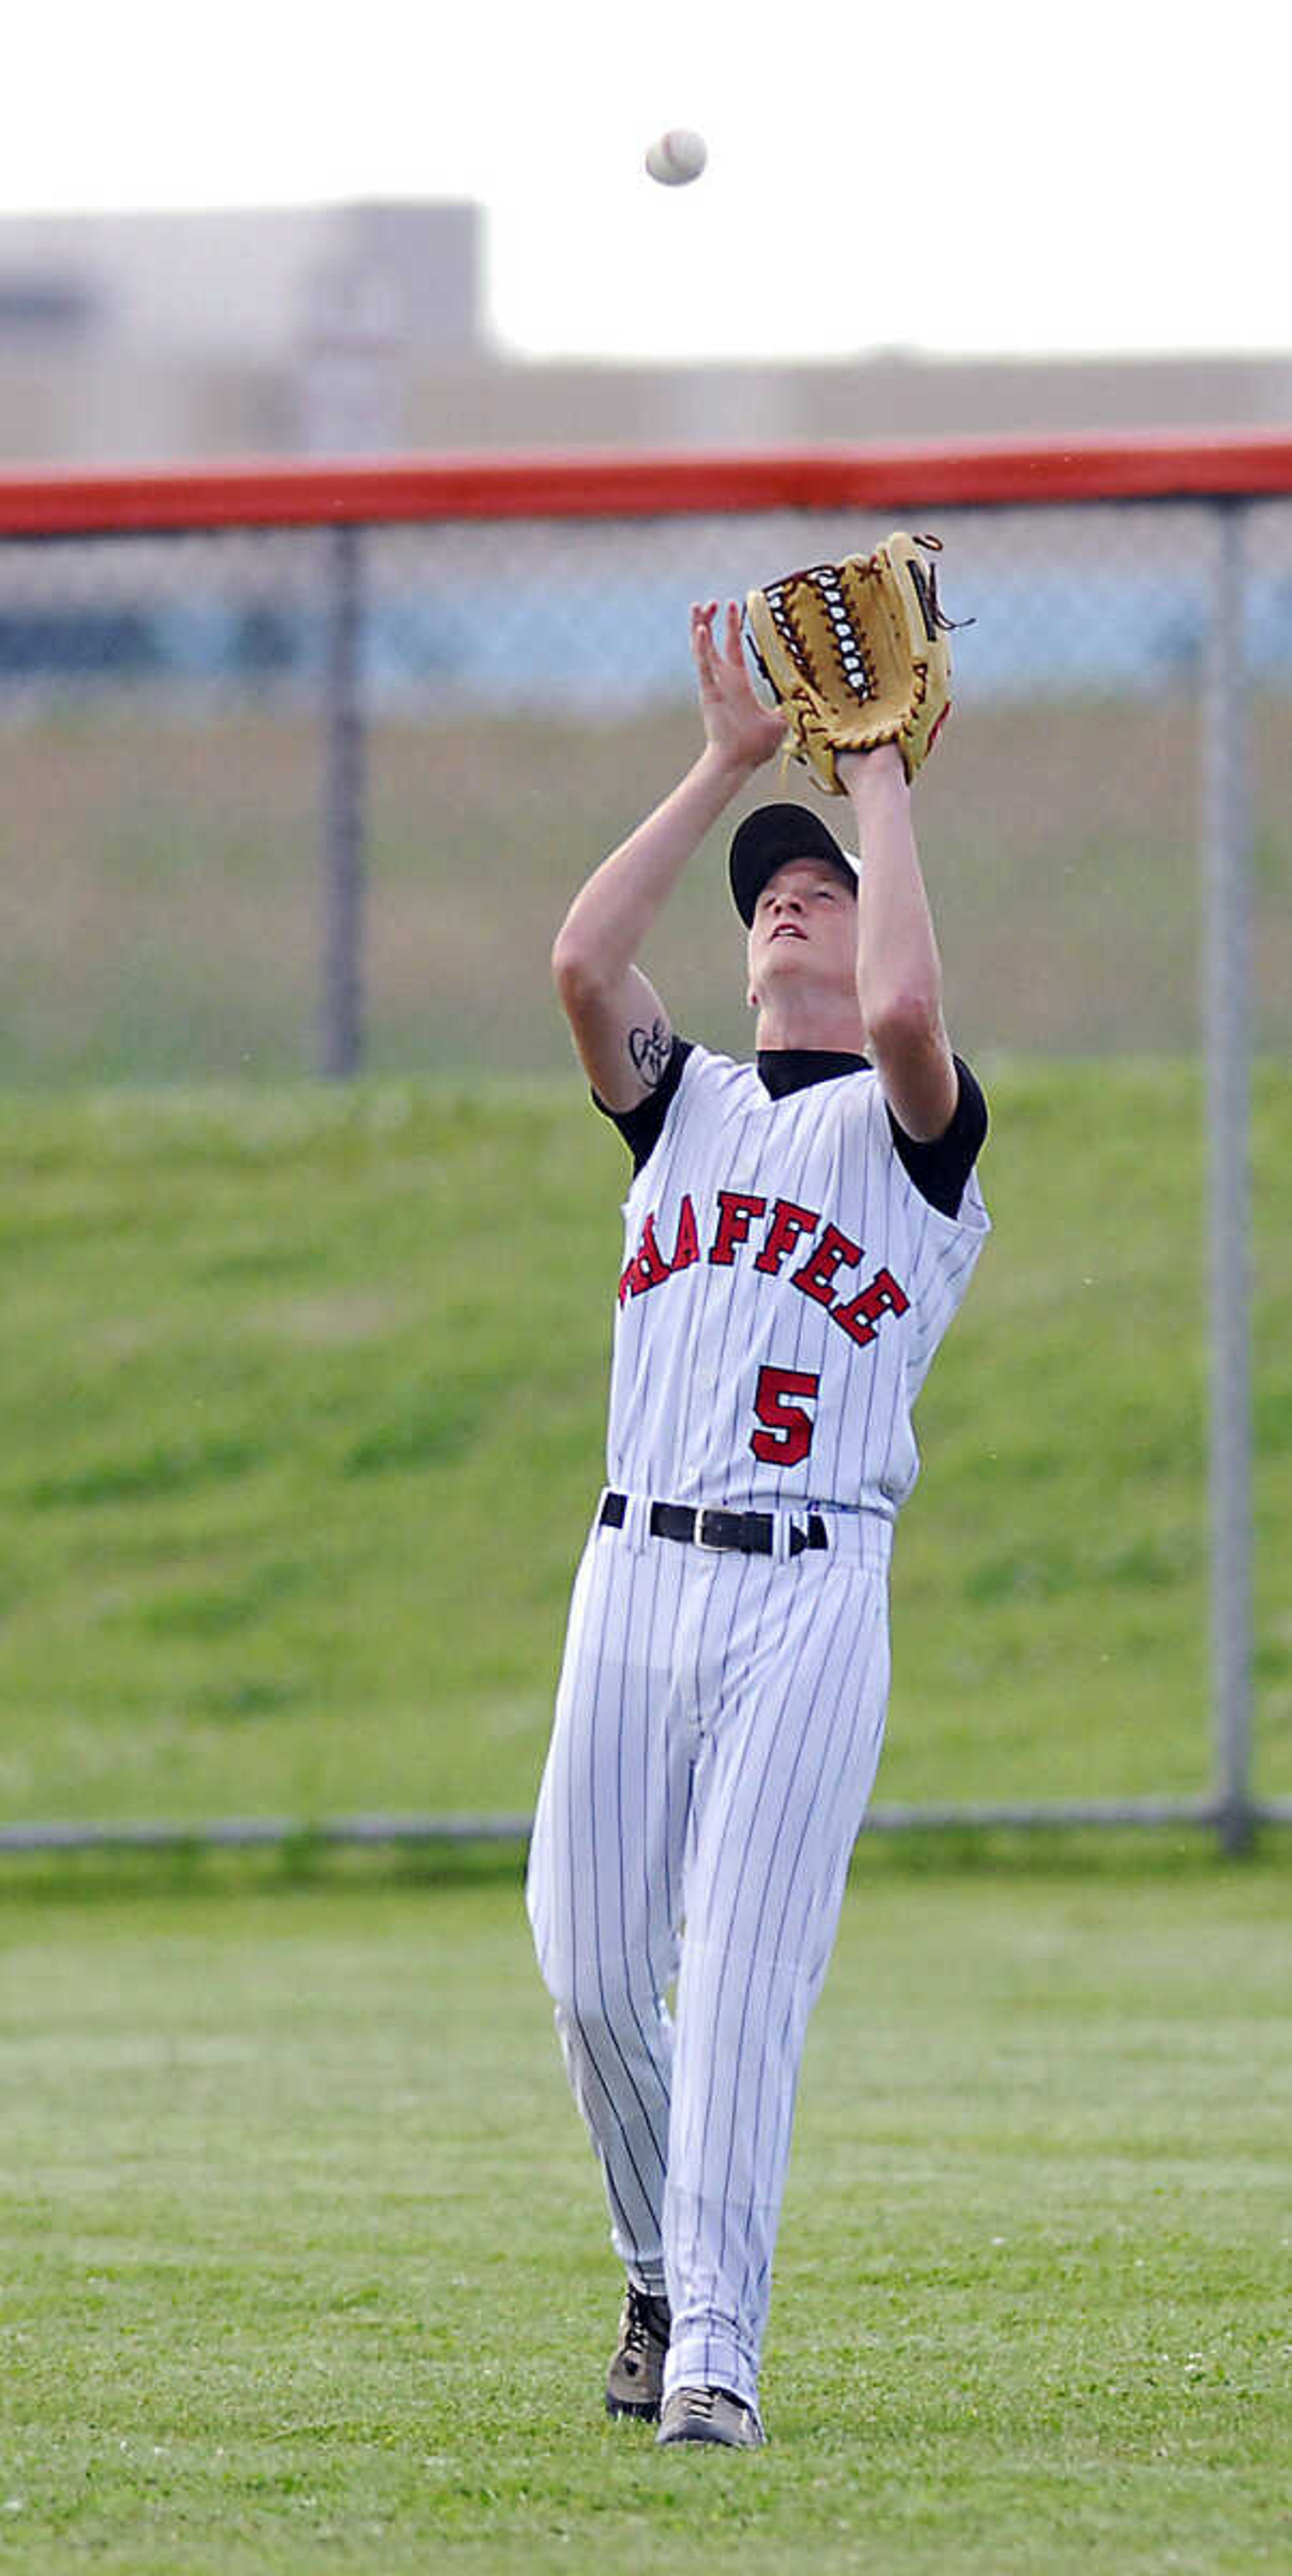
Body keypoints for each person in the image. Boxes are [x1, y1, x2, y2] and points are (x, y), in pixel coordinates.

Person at [526, 596, 990, 2450]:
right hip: (633, 1571)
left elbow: (900, 1005)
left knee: (736, 1982)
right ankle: (658, 2267)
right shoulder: (682, 1111)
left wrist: (874, 781)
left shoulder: (920, 1134)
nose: (784, 902)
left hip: (811, 1596)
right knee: (585, 1960)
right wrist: (731, 758)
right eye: (762, 897)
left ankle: (715, 2346)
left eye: (815, 884)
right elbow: (577, 960)